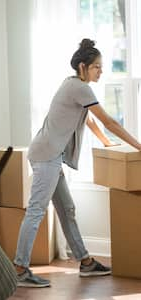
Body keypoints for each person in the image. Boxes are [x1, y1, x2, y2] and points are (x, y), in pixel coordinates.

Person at [14, 38, 141, 288]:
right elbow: (109, 121)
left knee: (67, 209)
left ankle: (85, 262)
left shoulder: (74, 84)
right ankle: (19, 268)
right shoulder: (79, 87)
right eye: (96, 66)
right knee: (36, 210)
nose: (101, 71)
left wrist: (106, 142)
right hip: (46, 155)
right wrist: (139, 146)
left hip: (50, 154)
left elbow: (90, 120)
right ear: (83, 67)